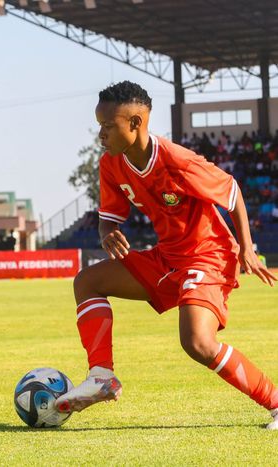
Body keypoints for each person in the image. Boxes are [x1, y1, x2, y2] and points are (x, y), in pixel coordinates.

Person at [55, 81, 278, 430]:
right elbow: (109, 218)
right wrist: (106, 232)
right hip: (168, 258)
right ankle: (101, 376)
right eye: (99, 125)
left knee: (198, 343)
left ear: (135, 123)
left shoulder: (177, 160)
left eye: (108, 125)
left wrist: (247, 247)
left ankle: (276, 402)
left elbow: (232, 191)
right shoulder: (111, 164)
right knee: (87, 282)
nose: (101, 134)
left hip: (208, 255)